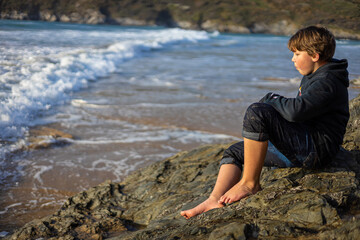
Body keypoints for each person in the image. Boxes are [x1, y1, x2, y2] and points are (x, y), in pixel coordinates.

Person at [180, 26, 349, 219]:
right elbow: (301, 113)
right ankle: (213, 199)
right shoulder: (315, 75)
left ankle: (250, 184)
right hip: (306, 144)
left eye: (296, 53)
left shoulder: (327, 81)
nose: (293, 59)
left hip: (317, 151)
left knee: (257, 112)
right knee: (235, 151)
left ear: (314, 55)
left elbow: (296, 112)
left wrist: (271, 99)